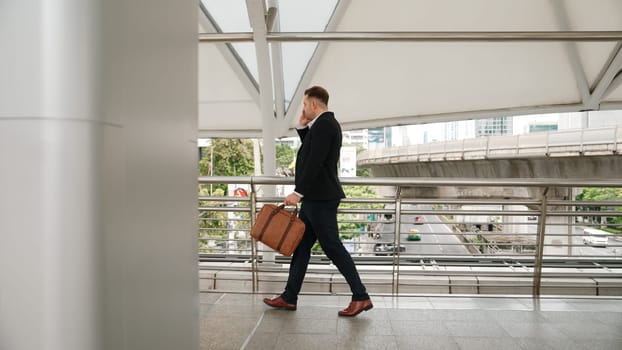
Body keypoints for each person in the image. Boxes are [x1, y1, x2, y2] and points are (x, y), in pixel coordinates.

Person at [263, 86, 373, 317]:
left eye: (304, 104)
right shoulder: (323, 125)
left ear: (314, 104)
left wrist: (298, 193)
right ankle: (289, 296)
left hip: (319, 198)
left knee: (332, 246)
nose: (303, 108)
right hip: (316, 198)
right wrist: (302, 127)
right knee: (301, 247)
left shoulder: (325, 124)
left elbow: (314, 161)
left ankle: (361, 296)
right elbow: (311, 149)